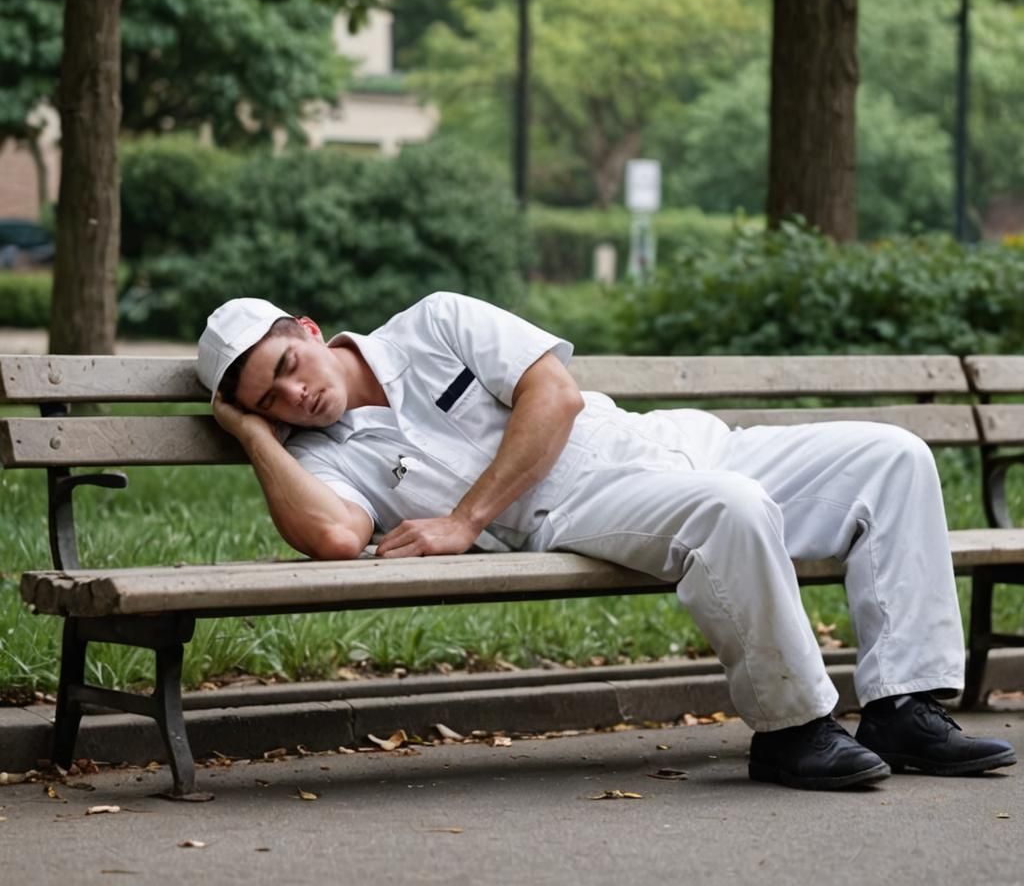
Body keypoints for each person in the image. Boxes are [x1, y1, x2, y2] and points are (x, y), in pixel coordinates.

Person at [197, 292, 1016, 791]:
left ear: (310, 328)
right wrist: (254, 437)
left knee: (893, 457)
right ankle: (793, 729)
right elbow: (335, 536)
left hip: (677, 441)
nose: (296, 394)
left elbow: (554, 395)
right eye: (270, 400)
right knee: (730, 510)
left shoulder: (434, 323)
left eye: (289, 364)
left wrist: (465, 520)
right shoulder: (325, 456)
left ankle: (904, 706)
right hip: (585, 507)